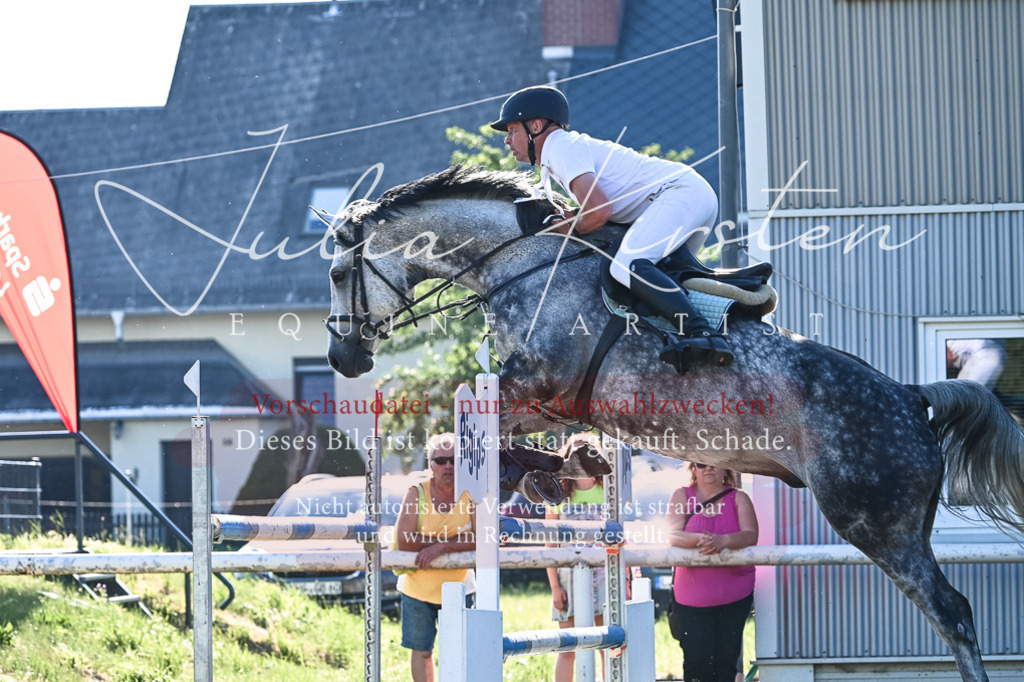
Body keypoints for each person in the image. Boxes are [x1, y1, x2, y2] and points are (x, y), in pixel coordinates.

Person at [490, 85, 731, 371]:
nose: (507, 140)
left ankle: (702, 333)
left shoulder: (562, 148)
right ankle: (671, 339)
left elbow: (598, 213)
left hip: (679, 194)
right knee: (650, 279)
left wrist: (568, 225)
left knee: (626, 267)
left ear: (536, 126)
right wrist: (575, 220)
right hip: (689, 195)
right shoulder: (561, 151)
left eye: (512, 130)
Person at [394, 433, 476, 682]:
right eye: (441, 460)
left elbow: (483, 538)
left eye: (454, 459)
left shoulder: (471, 492)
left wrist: (439, 547)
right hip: (418, 590)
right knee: (422, 653)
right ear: (430, 464)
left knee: (460, 652)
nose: (448, 465)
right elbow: (404, 541)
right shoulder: (416, 493)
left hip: (461, 588)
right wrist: (456, 543)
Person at [666, 462, 758, 682]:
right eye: (701, 464)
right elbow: (672, 535)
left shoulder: (740, 497)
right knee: (697, 664)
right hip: (691, 598)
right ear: (693, 469)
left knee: (725, 664)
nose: (708, 469)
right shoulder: (681, 495)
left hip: (735, 595)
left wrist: (724, 540)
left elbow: (751, 535)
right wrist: (704, 540)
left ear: (726, 469)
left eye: (715, 464)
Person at [546, 436, 607, 682]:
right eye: (576, 454)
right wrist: (554, 586)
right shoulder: (557, 494)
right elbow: (550, 543)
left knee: (606, 643)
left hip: (603, 577)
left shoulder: (608, 491)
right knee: (568, 647)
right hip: (568, 578)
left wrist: (625, 580)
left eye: (588, 452)